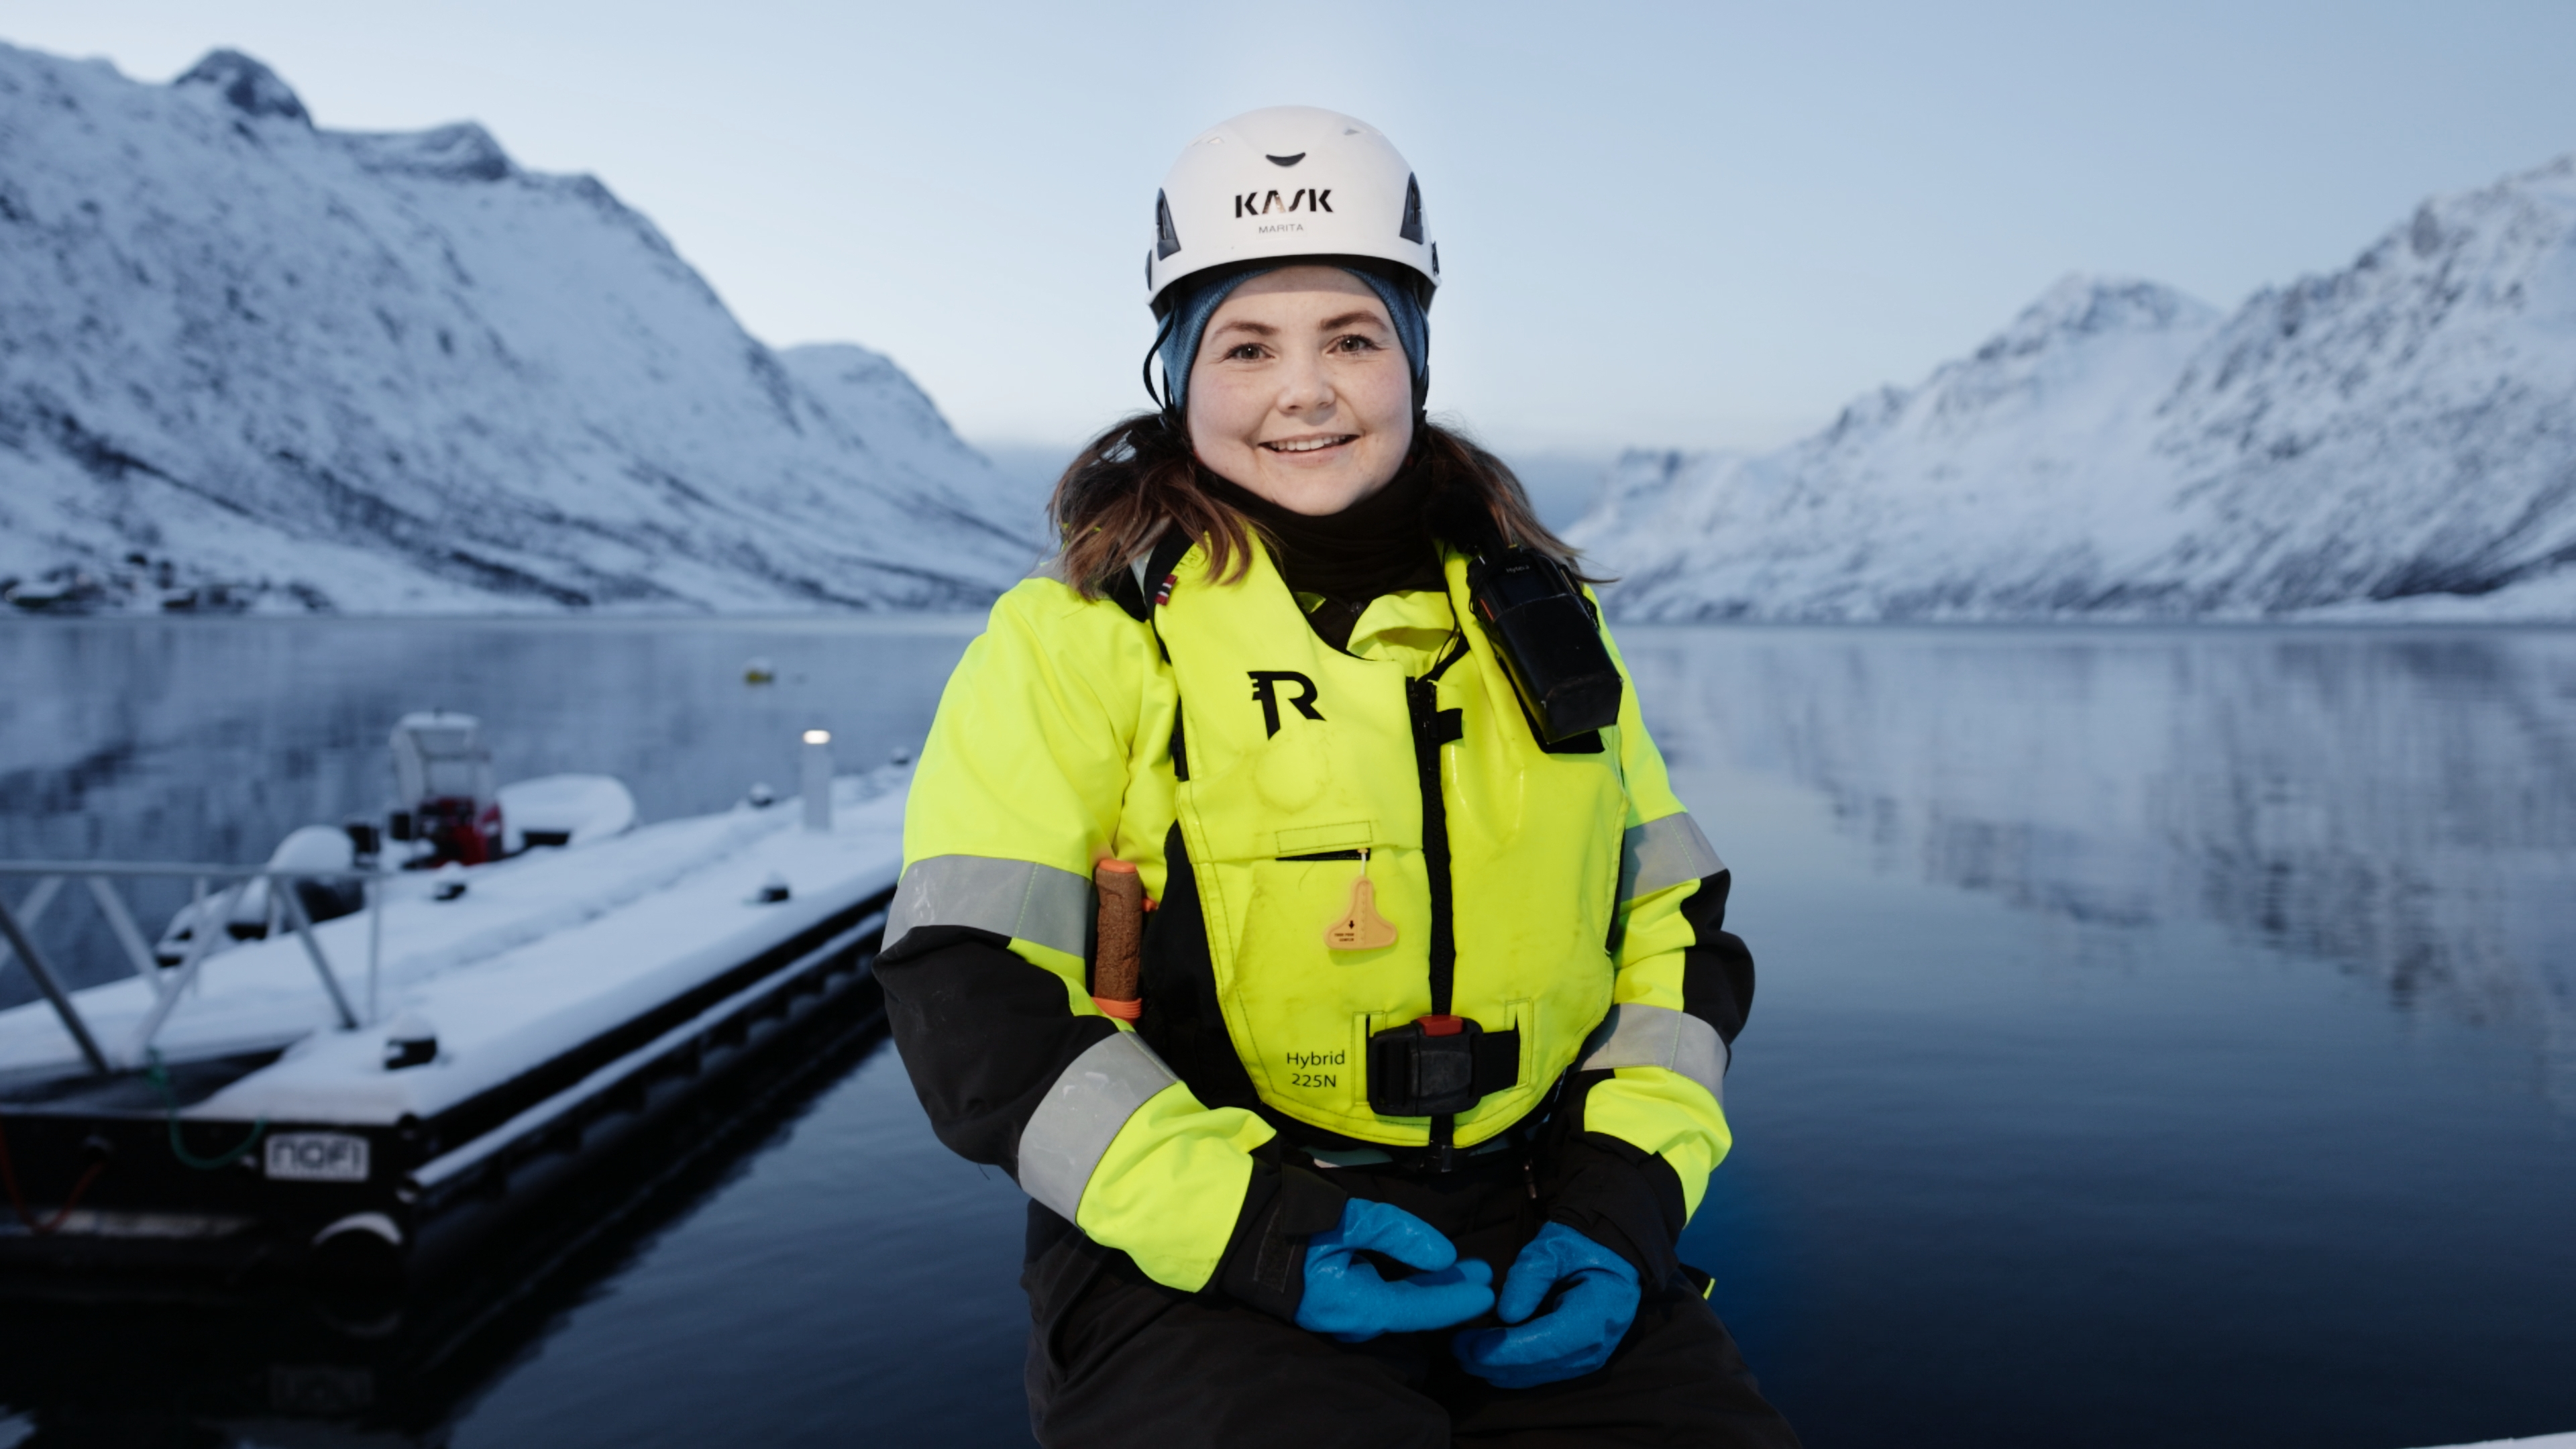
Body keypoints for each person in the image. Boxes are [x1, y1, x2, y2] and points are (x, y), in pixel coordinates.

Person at [877, 105, 1801, 1448]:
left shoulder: (1546, 627)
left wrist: (1623, 1201)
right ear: (1178, 375)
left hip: (1547, 1220)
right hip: (1193, 1251)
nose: (1303, 392)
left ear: (1412, 363)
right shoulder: (1080, 639)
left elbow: (1677, 946)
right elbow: (969, 995)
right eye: (1246, 346)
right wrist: (1253, 1230)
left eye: (1353, 339)